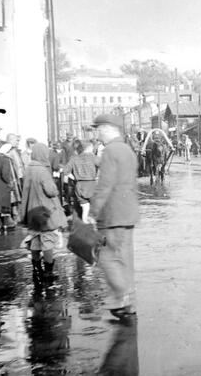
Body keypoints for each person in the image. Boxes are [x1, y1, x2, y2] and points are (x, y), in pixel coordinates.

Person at [88, 114, 139, 320]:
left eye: (99, 129)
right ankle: (128, 304)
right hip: (128, 213)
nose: (97, 133)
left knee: (106, 257)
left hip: (112, 214)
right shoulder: (127, 149)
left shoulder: (110, 151)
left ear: (109, 128)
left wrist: (93, 212)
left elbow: (105, 185)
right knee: (125, 260)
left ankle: (122, 297)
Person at [20, 143, 67, 286]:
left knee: (35, 239)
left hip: (31, 210)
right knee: (48, 240)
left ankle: (36, 269)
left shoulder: (29, 168)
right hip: (44, 210)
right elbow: (51, 191)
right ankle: (48, 272)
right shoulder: (42, 170)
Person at [62, 140, 99, 221]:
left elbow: (65, 171)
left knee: (85, 208)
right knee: (93, 209)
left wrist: (74, 178)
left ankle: (85, 223)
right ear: (89, 148)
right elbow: (103, 165)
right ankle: (92, 227)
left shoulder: (74, 158)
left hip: (79, 185)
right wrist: (97, 176)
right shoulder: (92, 157)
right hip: (91, 184)